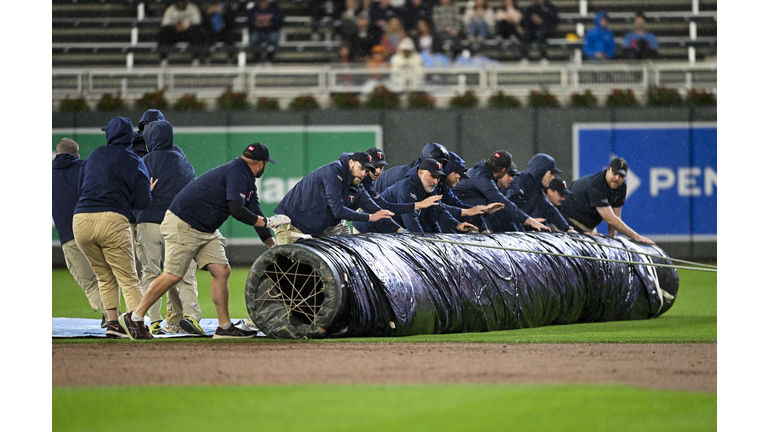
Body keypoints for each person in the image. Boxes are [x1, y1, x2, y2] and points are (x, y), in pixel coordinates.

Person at [119, 143, 290, 340]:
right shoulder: (237, 172)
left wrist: (273, 246)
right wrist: (267, 222)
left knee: (221, 271)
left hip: (205, 228)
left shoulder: (246, 178)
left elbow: (255, 213)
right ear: (261, 164)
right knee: (173, 275)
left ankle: (224, 327)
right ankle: (134, 317)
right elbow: (236, 209)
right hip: (184, 223)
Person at [72, 117, 156, 339]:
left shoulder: (93, 156)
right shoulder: (135, 160)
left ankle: (113, 324)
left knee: (104, 276)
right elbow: (144, 202)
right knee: (128, 277)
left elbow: (81, 188)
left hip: (81, 220)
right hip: (112, 219)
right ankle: (136, 324)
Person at [134, 120, 204, 336]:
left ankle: (153, 320)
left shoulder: (142, 161)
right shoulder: (183, 162)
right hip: (176, 224)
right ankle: (191, 315)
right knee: (183, 272)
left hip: (148, 223)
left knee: (150, 273)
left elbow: (136, 193)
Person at [272, 152, 395, 245]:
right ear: (351, 162)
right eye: (361, 168)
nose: (363, 173)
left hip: (313, 230)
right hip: (290, 225)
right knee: (288, 273)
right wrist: (369, 217)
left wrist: (402, 231)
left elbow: (378, 211)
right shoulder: (333, 171)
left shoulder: (356, 184)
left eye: (366, 170)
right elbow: (338, 210)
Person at [52, 138, 107, 327]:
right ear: (77, 155)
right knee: (107, 276)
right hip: (98, 229)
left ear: (57, 153)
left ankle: (112, 317)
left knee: (91, 283)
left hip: (71, 235)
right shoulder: (87, 167)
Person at [356, 158, 478, 234]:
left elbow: (439, 211)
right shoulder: (406, 188)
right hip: (367, 229)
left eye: (437, 178)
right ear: (420, 173)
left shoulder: (428, 187)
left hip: (390, 230)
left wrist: (457, 225)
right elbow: (411, 222)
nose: (435, 182)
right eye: (432, 176)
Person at [559, 157, 655, 244]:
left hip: (587, 226)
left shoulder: (621, 186)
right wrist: (636, 237)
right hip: (566, 220)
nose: (617, 178)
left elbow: (616, 216)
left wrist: (613, 238)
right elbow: (610, 219)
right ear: (608, 169)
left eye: (621, 175)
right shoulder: (596, 185)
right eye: (615, 173)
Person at [452, 150, 550, 232]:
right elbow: (503, 203)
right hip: (451, 218)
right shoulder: (482, 178)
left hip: (457, 218)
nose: (512, 179)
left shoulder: (483, 175)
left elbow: (477, 208)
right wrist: (529, 220)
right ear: (504, 170)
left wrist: (483, 230)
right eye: (509, 174)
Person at [490, 153, 574, 233]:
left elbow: (549, 209)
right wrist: (527, 222)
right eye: (551, 173)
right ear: (541, 170)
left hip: (508, 228)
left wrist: (567, 228)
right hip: (494, 229)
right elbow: (505, 212)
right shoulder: (522, 182)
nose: (553, 177)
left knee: (543, 227)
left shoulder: (536, 188)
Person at [374, 142, 450, 194]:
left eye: (442, 163)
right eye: (437, 161)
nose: (439, 165)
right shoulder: (409, 178)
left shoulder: (430, 179)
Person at [158, 1, 208, 67]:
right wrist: (175, 25)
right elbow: (165, 23)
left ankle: (196, 59)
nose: (180, 3)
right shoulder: (170, 9)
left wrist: (185, 25)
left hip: (188, 32)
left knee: (197, 31)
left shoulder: (192, 8)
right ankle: (163, 59)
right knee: (164, 32)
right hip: (175, 33)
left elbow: (197, 21)